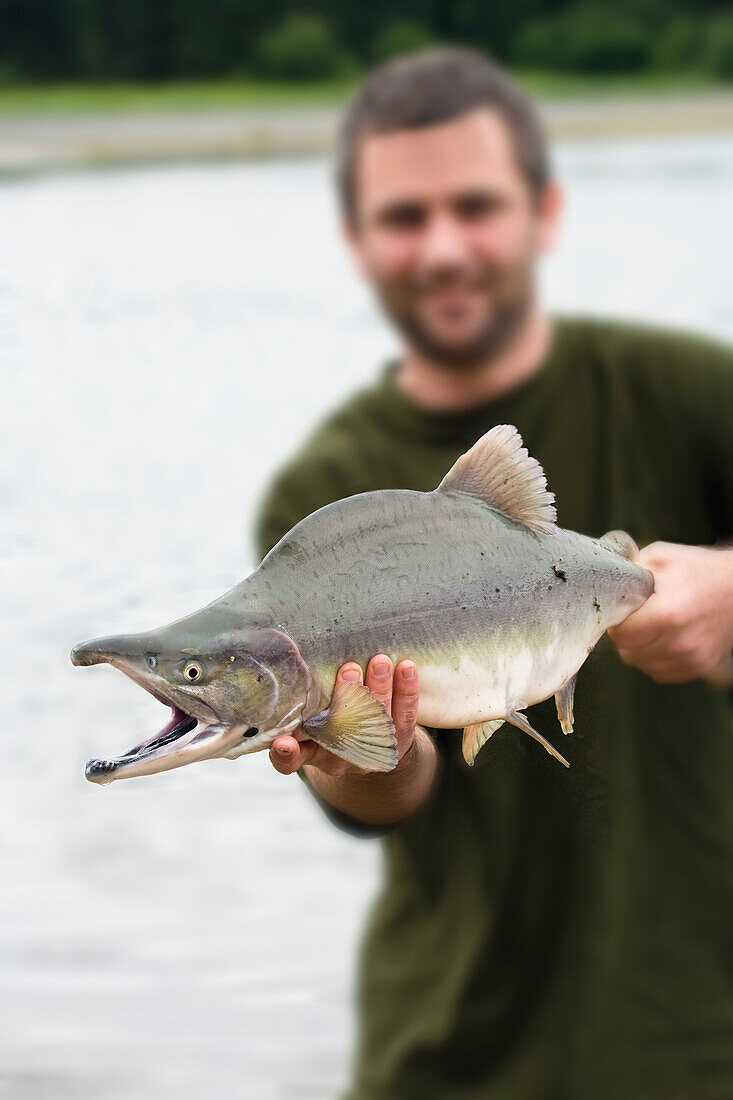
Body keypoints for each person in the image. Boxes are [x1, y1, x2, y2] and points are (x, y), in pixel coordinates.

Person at [255, 48, 733, 1100]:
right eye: (401, 217)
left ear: (544, 210)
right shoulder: (321, 494)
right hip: (439, 1059)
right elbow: (391, 800)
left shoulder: (691, 392)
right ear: (355, 240)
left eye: (475, 204)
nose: (442, 248)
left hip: (698, 1049)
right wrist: (364, 755)